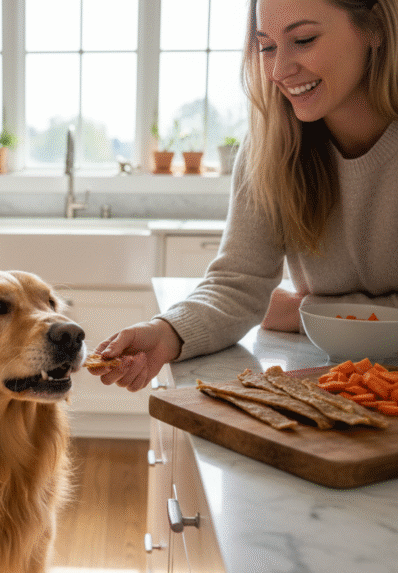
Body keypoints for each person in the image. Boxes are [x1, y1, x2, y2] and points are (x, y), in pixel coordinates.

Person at [91, 0, 398, 393]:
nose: (277, 70)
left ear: (375, 29)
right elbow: (238, 286)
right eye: (266, 46)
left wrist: (305, 311)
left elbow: (277, 307)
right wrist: (164, 332)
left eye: (303, 40)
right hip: (337, 383)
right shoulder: (271, 148)